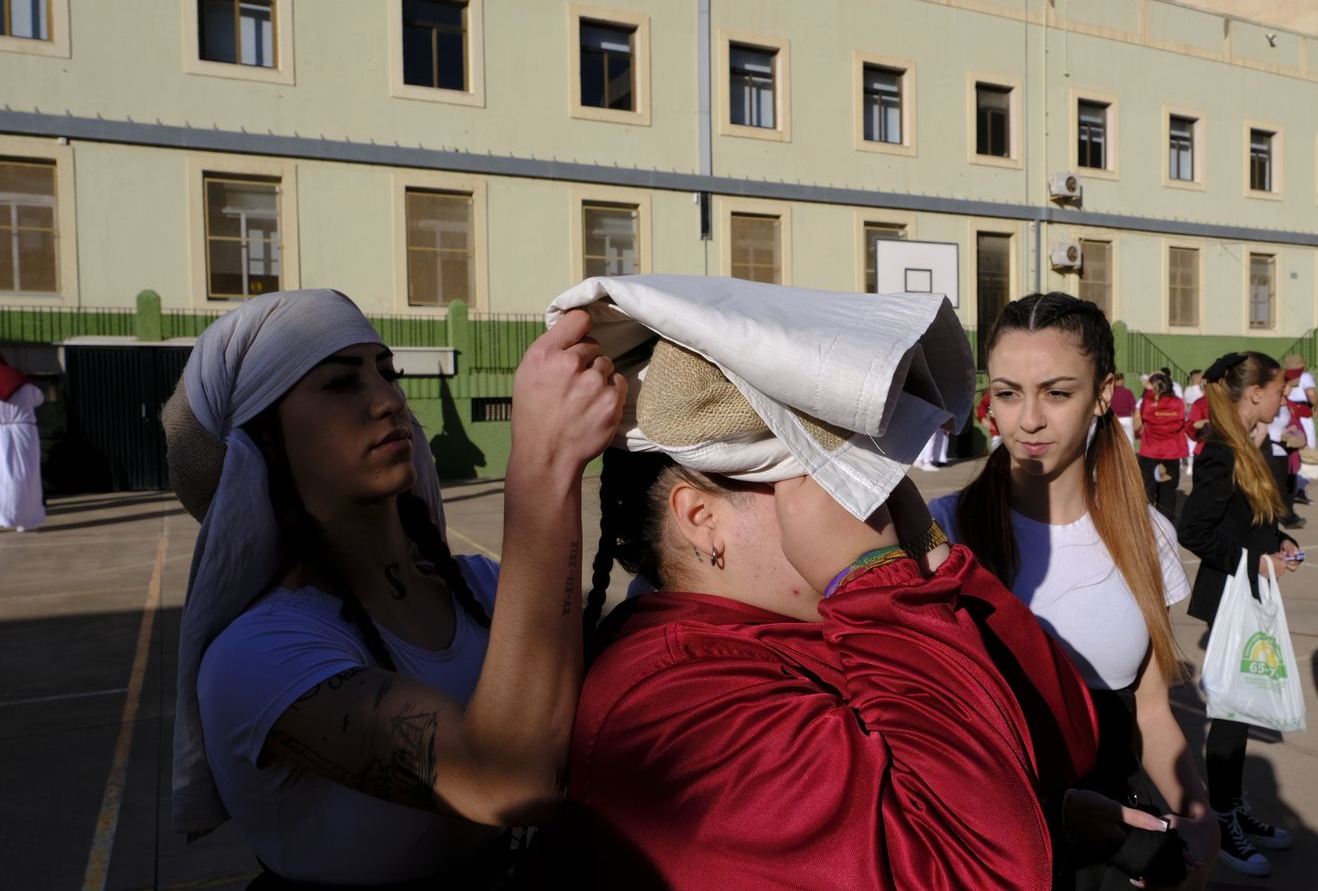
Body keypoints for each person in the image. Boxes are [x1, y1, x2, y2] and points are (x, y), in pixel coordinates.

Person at [549, 294, 1155, 891]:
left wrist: (925, 551)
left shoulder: (794, 628)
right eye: (823, 481)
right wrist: (874, 580)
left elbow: (1063, 738)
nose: (864, 505)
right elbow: (991, 872)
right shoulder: (678, 708)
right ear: (702, 519)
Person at [164, 290, 625, 885]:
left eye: (388, 373)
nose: (389, 400)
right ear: (263, 441)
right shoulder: (256, 655)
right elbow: (508, 783)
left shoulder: (482, 588)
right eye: (340, 383)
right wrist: (544, 466)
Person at [928, 293, 1218, 890]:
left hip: (1112, 839)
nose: (1028, 419)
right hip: (984, 841)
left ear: (1103, 394)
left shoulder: (1148, 537)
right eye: (1008, 393)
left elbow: (1150, 709)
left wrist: (1199, 813)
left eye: (1057, 393)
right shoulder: (944, 532)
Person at [1177, 351, 1302, 878]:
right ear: (1255, 393)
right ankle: (1221, 819)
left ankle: (1233, 806)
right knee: (1231, 711)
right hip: (1231, 594)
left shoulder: (1250, 444)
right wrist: (1258, 563)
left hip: (1250, 591)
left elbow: (1245, 518)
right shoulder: (1220, 450)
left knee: (1243, 708)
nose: (1283, 400)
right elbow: (1194, 530)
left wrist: (1279, 540)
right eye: (1278, 391)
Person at [0, 352, 46, 532]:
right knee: (28, 476)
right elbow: (39, 398)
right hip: (24, 432)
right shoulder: (19, 379)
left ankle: (4, 517)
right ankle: (26, 520)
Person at [1136, 372, 1188, 519]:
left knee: (1148, 491)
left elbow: (1138, 424)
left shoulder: (1147, 402)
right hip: (1171, 452)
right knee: (1168, 492)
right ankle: (1167, 524)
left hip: (1150, 451)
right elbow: (1182, 422)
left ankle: (1147, 523)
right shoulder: (1178, 403)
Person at [1264, 399, 1305, 530]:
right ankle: (1280, 517)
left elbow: (1280, 426)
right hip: (1269, 448)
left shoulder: (1286, 404)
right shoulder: (1268, 401)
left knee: (1282, 486)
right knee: (1271, 487)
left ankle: (1284, 515)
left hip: (1283, 449)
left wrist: (1289, 430)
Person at [1282, 354, 1318, 459]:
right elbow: (1311, 394)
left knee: (1290, 440)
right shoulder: (1305, 376)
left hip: (1287, 411)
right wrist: (1316, 406)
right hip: (1303, 412)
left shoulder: (1284, 376)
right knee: (1308, 441)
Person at [1182, 370, 1205, 474]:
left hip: (1190, 416)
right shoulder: (1199, 389)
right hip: (1198, 416)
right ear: (1196, 377)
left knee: (1191, 442)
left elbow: (1186, 405)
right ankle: (1191, 465)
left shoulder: (1188, 389)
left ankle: (1190, 466)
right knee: (1196, 441)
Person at [1110, 373, 1137, 444]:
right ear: (1122, 380)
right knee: (1129, 441)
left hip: (1114, 419)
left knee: (1114, 442)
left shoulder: (1111, 392)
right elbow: (1134, 408)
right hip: (1127, 419)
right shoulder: (1128, 392)